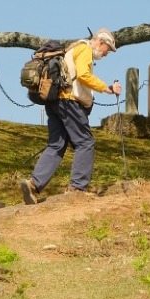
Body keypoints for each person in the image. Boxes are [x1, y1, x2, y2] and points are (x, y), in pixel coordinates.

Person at [19, 29, 120, 203]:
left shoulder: (72, 49)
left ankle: (33, 184)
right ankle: (77, 188)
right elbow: (83, 75)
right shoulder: (85, 49)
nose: (106, 54)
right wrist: (107, 88)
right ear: (101, 42)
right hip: (69, 101)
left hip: (55, 101)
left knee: (56, 144)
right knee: (85, 142)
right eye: (107, 50)